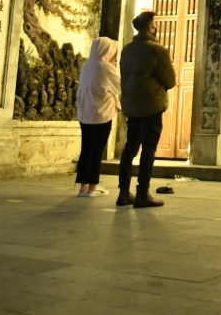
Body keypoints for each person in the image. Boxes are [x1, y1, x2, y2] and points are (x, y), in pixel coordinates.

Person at [117, 11, 175, 208]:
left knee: (130, 147)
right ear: (151, 28)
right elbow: (170, 80)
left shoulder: (127, 49)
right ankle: (143, 192)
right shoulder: (157, 50)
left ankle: (124, 192)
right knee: (148, 148)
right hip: (151, 105)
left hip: (131, 104)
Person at [75, 37, 120, 196]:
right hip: (101, 114)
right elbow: (119, 85)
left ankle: (83, 186)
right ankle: (93, 186)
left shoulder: (87, 66)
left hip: (85, 113)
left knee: (86, 148)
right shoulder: (105, 67)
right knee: (96, 150)